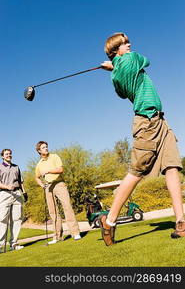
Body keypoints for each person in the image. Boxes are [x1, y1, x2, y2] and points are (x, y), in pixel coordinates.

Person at [99, 32, 184, 246]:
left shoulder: (116, 75)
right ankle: (109, 221)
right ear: (115, 49)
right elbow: (147, 59)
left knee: (172, 166)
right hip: (147, 123)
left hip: (160, 121)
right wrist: (116, 63)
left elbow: (120, 90)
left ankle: (181, 222)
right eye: (125, 43)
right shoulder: (130, 59)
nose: (129, 45)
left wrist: (112, 66)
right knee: (136, 172)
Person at [35, 141, 81, 244]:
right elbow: (37, 177)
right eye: (43, 147)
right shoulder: (39, 164)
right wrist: (42, 185)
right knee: (53, 212)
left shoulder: (54, 156)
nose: (46, 148)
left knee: (67, 206)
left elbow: (60, 169)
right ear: (39, 151)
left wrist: (48, 171)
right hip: (48, 186)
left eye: (46, 147)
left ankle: (75, 232)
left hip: (59, 184)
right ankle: (57, 237)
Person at [0, 149, 28, 252]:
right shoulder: (0, 167)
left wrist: (24, 193)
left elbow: (20, 182)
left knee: (17, 219)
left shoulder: (16, 167)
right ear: (2, 156)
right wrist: (7, 187)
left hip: (17, 194)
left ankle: (14, 243)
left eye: (10, 154)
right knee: (2, 219)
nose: (9, 155)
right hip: (4, 194)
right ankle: (1, 245)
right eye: (6, 154)